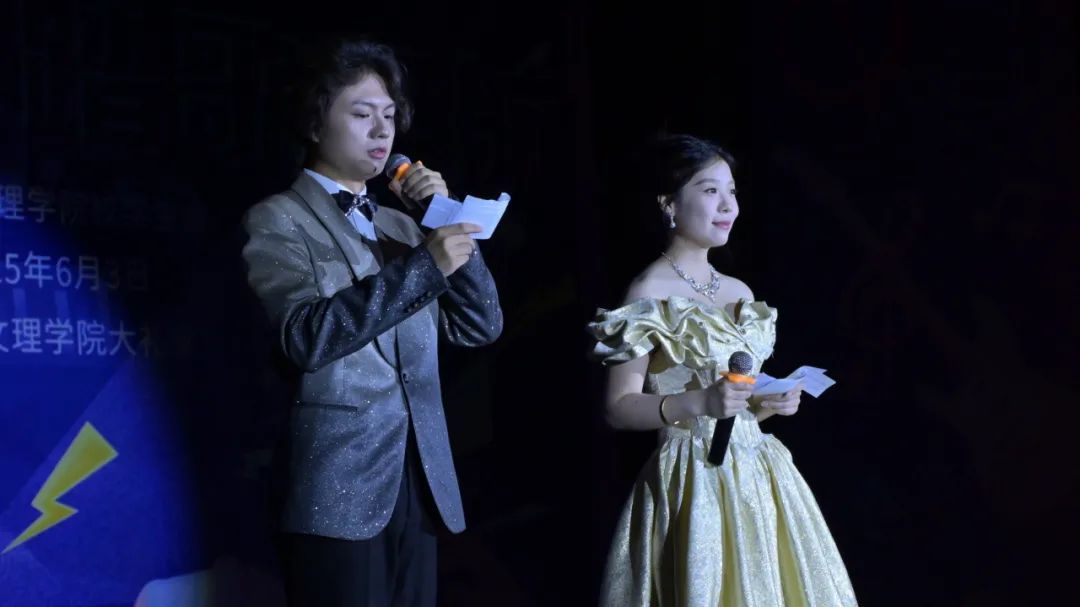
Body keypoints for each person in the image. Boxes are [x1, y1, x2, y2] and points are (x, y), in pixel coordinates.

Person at [240, 38, 503, 607]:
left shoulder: (404, 226)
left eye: (389, 115)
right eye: (362, 115)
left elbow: (481, 324)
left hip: (420, 477)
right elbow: (305, 337)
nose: (382, 131)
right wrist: (424, 266)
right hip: (337, 482)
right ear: (315, 122)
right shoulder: (278, 219)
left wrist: (443, 220)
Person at [587, 134, 857, 605]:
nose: (728, 205)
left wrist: (768, 402)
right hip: (693, 478)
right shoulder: (648, 292)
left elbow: (737, 409)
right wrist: (700, 402)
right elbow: (619, 407)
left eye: (731, 191)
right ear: (669, 204)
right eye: (710, 191)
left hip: (759, 474)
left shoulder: (738, 291)